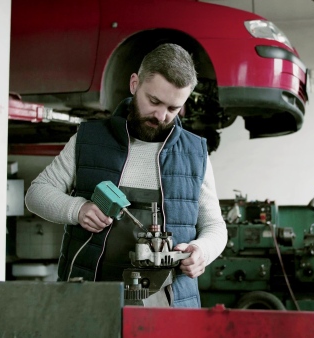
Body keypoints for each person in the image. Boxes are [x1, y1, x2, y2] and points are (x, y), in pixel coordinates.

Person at [24, 43, 227, 308]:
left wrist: (202, 252)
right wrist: (78, 209)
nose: (161, 116)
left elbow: (214, 226)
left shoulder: (195, 153)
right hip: (90, 298)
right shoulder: (89, 140)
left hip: (167, 303)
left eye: (173, 108)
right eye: (153, 101)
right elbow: (36, 194)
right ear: (134, 84)